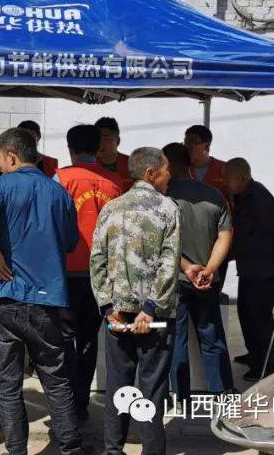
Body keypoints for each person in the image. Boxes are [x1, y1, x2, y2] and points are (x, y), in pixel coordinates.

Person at [0, 128, 84, 455]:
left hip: (3, 298)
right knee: (57, 381)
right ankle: (71, 448)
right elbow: (70, 242)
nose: (0, 164)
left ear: (11, 156)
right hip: (47, 300)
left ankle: (16, 450)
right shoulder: (59, 193)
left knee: (8, 386)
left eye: (0, 158)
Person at [91, 147, 180, 455]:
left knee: (118, 385)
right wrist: (151, 308)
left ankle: (113, 450)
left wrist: (108, 308)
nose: (169, 176)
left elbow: (97, 259)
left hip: (117, 316)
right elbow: (169, 263)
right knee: (152, 389)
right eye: (166, 170)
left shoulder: (111, 208)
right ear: (151, 173)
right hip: (155, 318)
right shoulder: (168, 209)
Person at [54, 124, 123, 422]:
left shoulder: (59, 179)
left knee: (63, 339)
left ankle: (64, 404)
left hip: (65, 272)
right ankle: (80, 403)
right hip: (101, 275)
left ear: (70, 149)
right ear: (99, 149)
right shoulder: (115, 183)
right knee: (88, 339)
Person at [161, 143, 235, 399]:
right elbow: (225, 235)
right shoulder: (213, 195)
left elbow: (162, 242)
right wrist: (210, 268)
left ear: (168, 166)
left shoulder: (164, 199)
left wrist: (185, 266)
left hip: (174, 280)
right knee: (212, 335)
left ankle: (180, 395)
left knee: (176, 338)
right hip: (207, 279)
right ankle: (221, 390)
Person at [223, 158, 274, 382]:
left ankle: (265, 365)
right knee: (245, 312)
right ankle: (254, 354)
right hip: (250, 266)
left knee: (259, 317)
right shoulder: (242, 195)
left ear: (242, 178)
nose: (225, 182)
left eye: (228, 178)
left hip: (263, 269)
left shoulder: (258, 197)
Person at [183, 125, 232, 200]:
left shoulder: (225, 169)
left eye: (192, 142)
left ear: (206, 146)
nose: (187, 147)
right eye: (185, 143)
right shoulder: (181, 169)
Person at [94, 117, 132, 190]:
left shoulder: (132, 165)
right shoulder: (89, 167)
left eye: (105, 138)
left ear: (118, 141)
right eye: (97, 139)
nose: (100, 143)